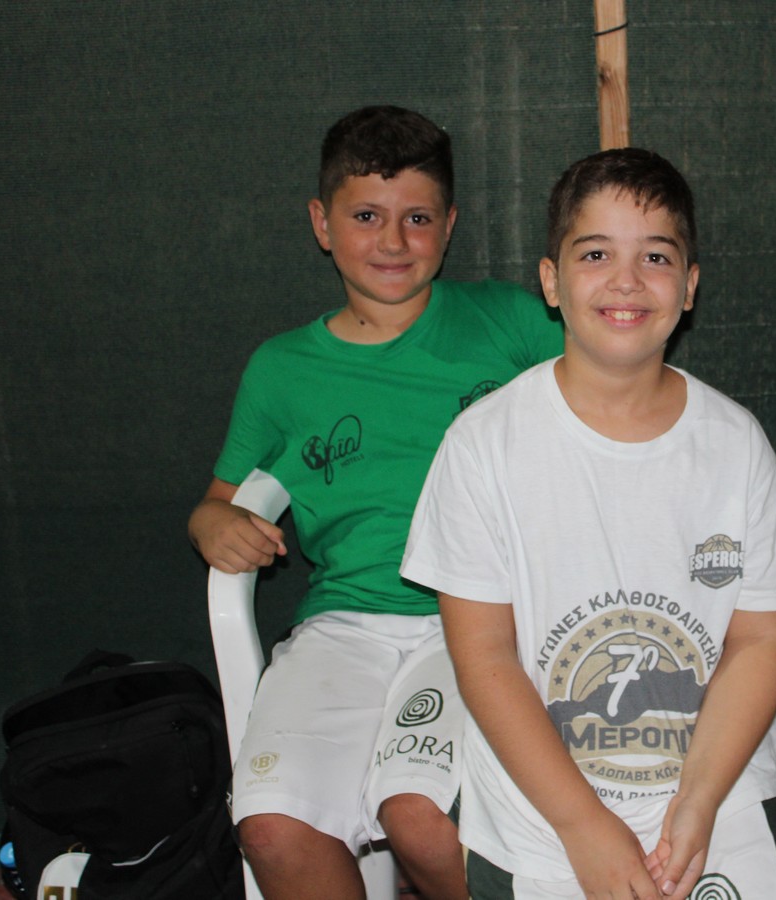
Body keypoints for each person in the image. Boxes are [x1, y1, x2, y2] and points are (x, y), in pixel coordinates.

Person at [400, 148, 776, 899]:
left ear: (689, 286)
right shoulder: (482, 445)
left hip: (714, 787)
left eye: (655, 256)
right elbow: (485, 656)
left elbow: (760, 640)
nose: (626, 280)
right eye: (595, 254)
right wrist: (583, 824)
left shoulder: (737, 442)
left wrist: (698, 801)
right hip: (543, 813)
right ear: (551, 281)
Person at [188, 105, 563, 899]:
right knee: (272, 827)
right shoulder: (281, 368)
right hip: (343, 627)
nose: (393, 241)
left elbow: (613, 403)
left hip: (484, 617)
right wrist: (215, 523)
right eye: (366, 216)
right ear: (322, 224)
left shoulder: (514, 323)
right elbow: (216, 503)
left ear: (449, 226)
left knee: (423, 820)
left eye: (417, 218)